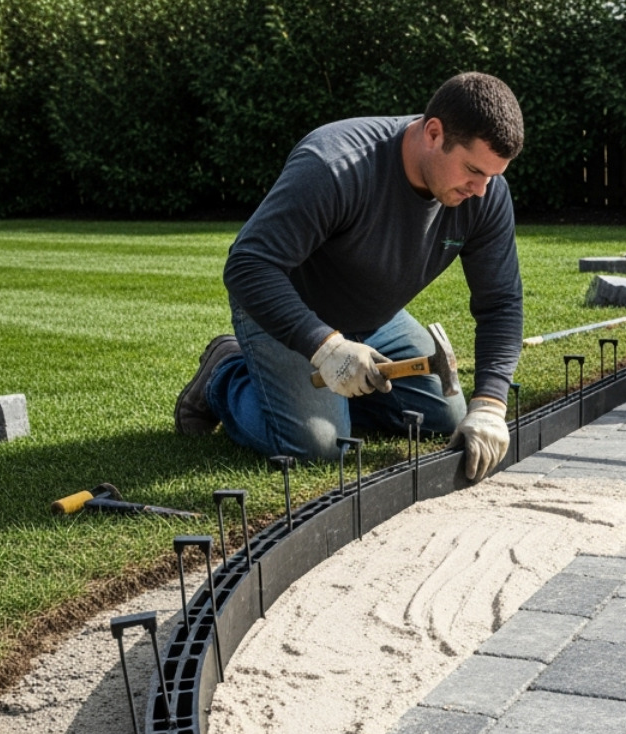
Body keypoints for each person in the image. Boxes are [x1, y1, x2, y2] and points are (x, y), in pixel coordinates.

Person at [173, 72, 525, 481]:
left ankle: (322, 395)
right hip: (290, 307)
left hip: (375, 317)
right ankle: (225, 374)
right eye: (472, 170)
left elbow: (500, 302)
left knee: (445, 418)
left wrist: (490, 404)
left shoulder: (485, 194)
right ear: (433, 133)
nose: (482, 190)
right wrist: (325, 346)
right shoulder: (336, 165)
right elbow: (248, 264)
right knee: (318, 447)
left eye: (492, 176)